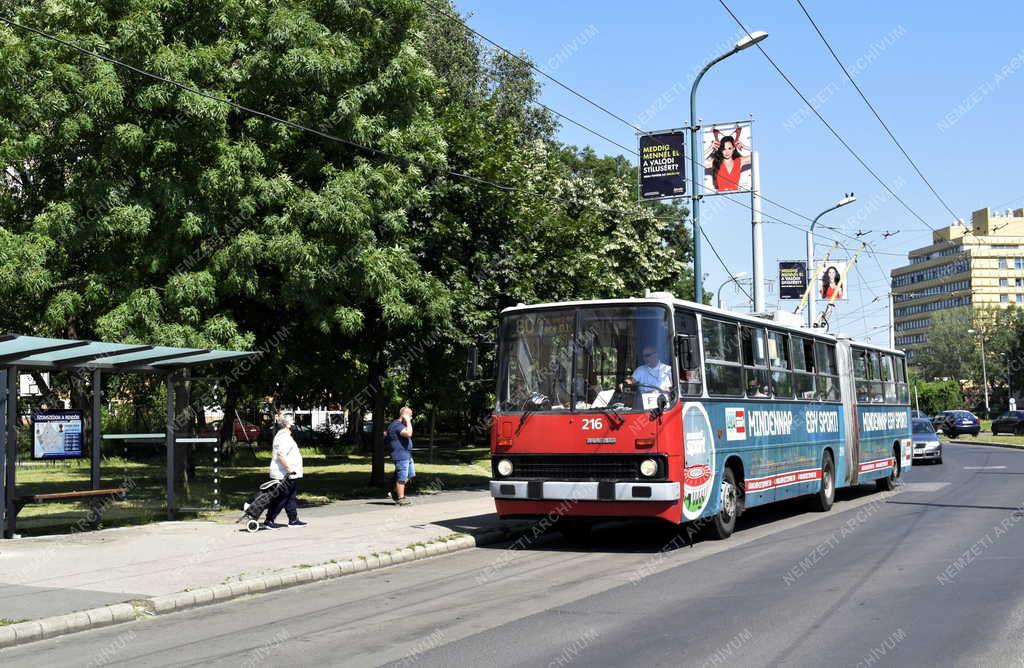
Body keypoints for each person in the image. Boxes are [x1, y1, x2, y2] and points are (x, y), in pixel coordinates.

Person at [265, 413, 306, 528]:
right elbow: (281, 454)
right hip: (284, 473)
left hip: (288, 473)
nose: (293, 421)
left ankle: (293, 520)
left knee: (290, 496)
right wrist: (289, 469)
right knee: (281, 497)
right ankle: (269, 520)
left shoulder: (283, 435)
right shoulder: (284, 437)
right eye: (291, 420)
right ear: (287, 424)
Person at [704, 127, 749, 192]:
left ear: (734, 149)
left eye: (729, 148)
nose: (727, 152)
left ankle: (735, 137)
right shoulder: (716, 162)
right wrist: (710, 148)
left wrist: (745, 147)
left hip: (736, 196)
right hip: (720, 197)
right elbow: (697, 162)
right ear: (721, 150)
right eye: (724, 149)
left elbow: (755, 157)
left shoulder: (739, 161)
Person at [388, 406, 415, 506]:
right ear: (405, 415)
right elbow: (409, 433)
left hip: (406, 454)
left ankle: (394, 492)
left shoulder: (399, 425)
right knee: (402, 477)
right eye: (410, 416)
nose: (411, 418)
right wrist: (408, 421)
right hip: (401, 455)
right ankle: (400, 497)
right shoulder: (397, 425)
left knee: (409, 475)